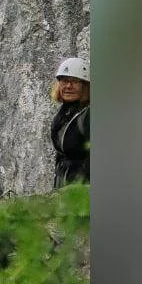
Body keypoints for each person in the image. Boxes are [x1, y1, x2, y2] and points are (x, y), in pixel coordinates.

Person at [50, 56, 90, 187]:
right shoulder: (64, 113)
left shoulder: (89, 114)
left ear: (86, 86)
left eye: (75, 81)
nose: (68, 86)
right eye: (64, 81)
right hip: (64, 186)